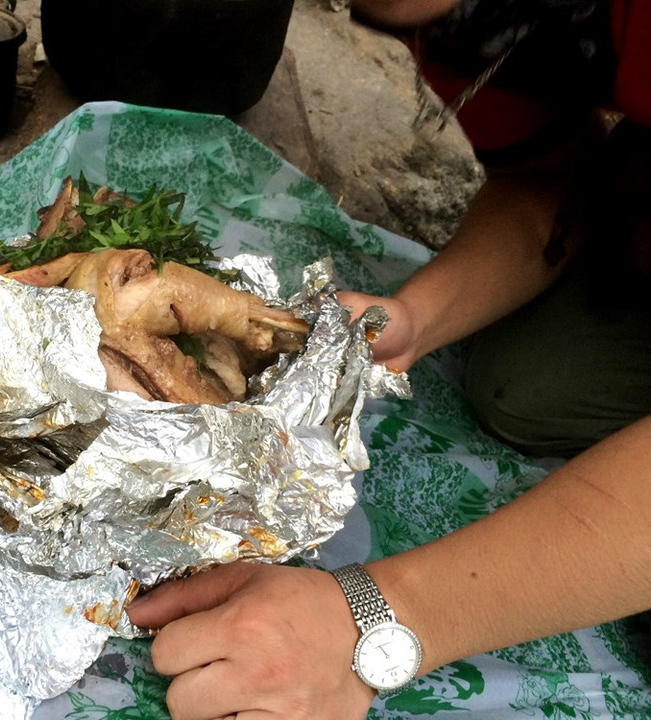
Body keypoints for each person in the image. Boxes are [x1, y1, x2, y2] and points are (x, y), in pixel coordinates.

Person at [125, 0, 651, 717]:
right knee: (522, 389)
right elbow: (545, 181)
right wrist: (419, 317)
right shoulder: (470, 20)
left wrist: (378, 616)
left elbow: (385, 618)